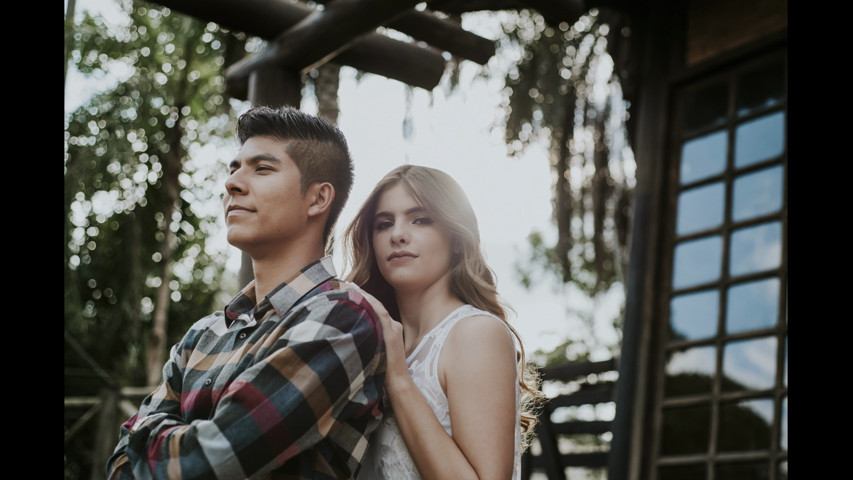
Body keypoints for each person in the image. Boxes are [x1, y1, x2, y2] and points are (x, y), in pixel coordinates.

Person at [106, 105, 387, 480]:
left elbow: (209, 463)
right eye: (234, 168)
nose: (232, 183)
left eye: (262, 168)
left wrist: (144, 434)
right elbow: (118, 464)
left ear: (318, 199)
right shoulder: (204, 334)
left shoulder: (343, 317)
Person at [342, 164, 543, 480]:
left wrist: (398, 379)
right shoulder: (370, 341)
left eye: (420, 220)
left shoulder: (476, 334)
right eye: (383, 224)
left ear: (457, 240)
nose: (398, 235)